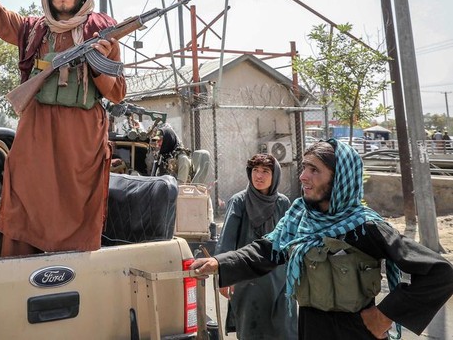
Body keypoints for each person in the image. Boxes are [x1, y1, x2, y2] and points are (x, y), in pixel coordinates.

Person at [193, 139, 453, 339]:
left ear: (339, 178)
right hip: (310, 329)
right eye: (304, 168)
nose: (303, 176)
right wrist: (220, 263)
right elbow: (266, 251)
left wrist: (384, 316)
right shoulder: (301, 219)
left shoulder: (365, 227)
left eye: (314, 170)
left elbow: (440, 274)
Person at [0, 0, 126, 255]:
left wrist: (98, 62)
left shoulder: (101, 30)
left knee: (78, 213)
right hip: (37, 130)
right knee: (25, 205)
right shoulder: (32, 29)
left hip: (81, 137)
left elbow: (118, 94)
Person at [216, 154, 296, 339]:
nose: (258, 176)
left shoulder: (283, 203)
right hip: (247, 277)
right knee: (251, 329)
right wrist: (225, 274)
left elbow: (291, 240)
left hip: (279, 277)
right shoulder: (239, 201)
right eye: (255, 170)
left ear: (274, 175)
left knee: (284, 328)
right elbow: (227, 239)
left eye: (265, 171)